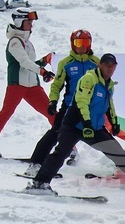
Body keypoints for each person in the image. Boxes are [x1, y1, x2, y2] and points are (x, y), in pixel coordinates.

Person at [28, 53, 125, 199]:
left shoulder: (109, 84)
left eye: (113, 66)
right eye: (107, 65)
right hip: (74, 125)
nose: (110, 69)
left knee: (118, 153)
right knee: (61, 153)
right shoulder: (89, 79)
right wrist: (86, 123)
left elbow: (109, 105)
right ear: (100, 65)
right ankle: (39, 183)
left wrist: (114, 122)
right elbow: (82, 101)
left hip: (94, 128)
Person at [0, 10, 55, 156]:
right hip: (17, 84)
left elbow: (30, 63)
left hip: (33, 86)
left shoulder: (27, 42)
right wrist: (42, 71)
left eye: (31, 22)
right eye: (29, 22)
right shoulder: (15, 42)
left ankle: (67, 142)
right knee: (7, 111)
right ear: (20, 22)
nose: (31, 25)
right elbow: (23, 62)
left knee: (51, 112)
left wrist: (44, 61)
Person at [23, 29, 99, 176]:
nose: (81, 46)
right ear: (73, 44)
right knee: (55, 134)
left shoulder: (95, 63)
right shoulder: (66, 63)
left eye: (85, 42)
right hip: (70, 108)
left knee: (101, 136)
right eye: (78, 42)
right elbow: (57, 85)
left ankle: (122, 168)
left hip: (89, 109)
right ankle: (35, 165)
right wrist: (53, 101)